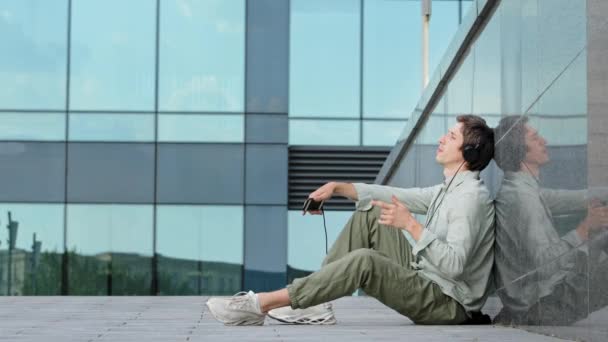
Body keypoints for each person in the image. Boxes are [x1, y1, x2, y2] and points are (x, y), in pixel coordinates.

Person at [207, 115, 496, 326]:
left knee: (365, 261)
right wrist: (338, 188)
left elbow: (456, 267)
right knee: (371, 212)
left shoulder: (470, 199)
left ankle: (260, 305)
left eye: (451, 136)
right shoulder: (449, 189)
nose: (442, 139)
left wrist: (411, 225)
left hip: (447, 303)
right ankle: (315, 303)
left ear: (468, 153)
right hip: (429, 276)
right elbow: (395, 193)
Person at [492, 115, 608, 325]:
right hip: (545, 305)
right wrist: (585, 228)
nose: (544, 141)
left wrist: (597, 201)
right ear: (519, 150)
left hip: (542, 296)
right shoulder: (521, 199)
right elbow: (543, 264)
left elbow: (572, 198)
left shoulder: (522, 189)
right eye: (535, 138)